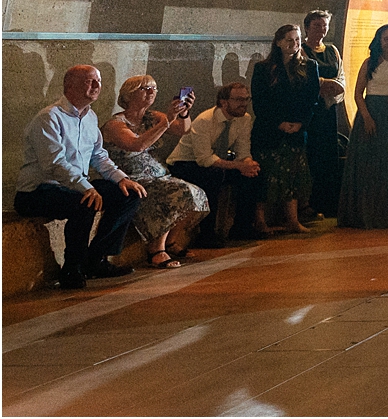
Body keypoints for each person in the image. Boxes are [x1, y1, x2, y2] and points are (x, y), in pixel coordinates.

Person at [14, 66, 147, 289]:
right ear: (69, 86)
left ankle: (96, 259)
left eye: (98, 81)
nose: (96, 86)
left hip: (73, 185)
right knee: (85, 203)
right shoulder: (49, 118)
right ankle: (72, 268)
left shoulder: (90, 117)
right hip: (38, 190)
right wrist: (86, 187)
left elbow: (98, 156)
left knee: (128, 195)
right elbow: (55, 164)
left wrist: (121, 178)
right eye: (89, 81)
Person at [99, 75, 209, 270]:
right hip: (132, 177)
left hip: (158, 174)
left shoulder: (153, 116)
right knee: (176, 193)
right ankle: (156, 250)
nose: (151, 92)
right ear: (128, 95)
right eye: (145, 88)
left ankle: (171, 241)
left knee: (196, 192)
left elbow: (182, 130)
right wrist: (167, 120)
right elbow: (137, 144)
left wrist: (184, 113)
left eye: (154, 88)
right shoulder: (116, 124)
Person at [167, 82, 260, 245]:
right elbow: (204, 159)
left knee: (253, 175)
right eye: (238, 100)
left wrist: (248, 164)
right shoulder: (205, 120)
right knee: (213, 175)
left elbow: (243, 151)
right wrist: (239, 166)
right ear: (224, 102)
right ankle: (206, 234)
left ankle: (242, 228)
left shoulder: (244, 119)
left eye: (246, 99)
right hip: (185, 163)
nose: (244, 104)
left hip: (217, 161)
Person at [252, 22, 321, 234]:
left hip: (297, 128)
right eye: (290, 40)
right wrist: (278, 123)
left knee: (293, 174)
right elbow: (260, 101)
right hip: (269, 129)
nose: (295, 44)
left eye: (297, 40)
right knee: (266, 175)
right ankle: (260, 221)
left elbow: (312, 99)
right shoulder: (263, 69)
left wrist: (300, 123)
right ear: (279, 43)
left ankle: (292, 219)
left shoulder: (309, 67)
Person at [339, 24, 388, 229]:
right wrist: (367, 117)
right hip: (371, 112)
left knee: (387, 164)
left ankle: (383, 213)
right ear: (379, 41)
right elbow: (357, 94)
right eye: (387, 39)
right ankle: (362, 213)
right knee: (367, 164)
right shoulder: (370, 63)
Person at [301, 9, 346, 220]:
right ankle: (309, 204)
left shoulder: (333, 50)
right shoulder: (301, 51)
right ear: (307, 27)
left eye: (324, 25)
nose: (321, 29)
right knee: (312, 155)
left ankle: (328, 203)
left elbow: (341, 77)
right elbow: (302, 77)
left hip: (328, 109)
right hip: (310, 111)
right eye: (317, 25)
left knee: (329, 156)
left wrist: (334, 89)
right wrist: (321, 84)